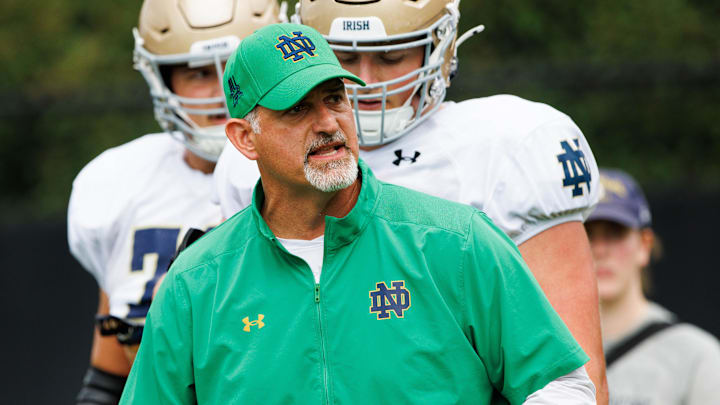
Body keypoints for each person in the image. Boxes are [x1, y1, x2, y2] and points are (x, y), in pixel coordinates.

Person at [121, 22, 596, 405]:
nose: (327, 123)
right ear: (246, 138)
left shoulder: (457, 240)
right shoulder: (196, 282)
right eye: (297, 109)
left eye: (334, 99)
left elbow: (563, 384)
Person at [67, 1, 281, 403]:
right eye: (199, 72)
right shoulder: (117, 183)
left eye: (236, 64)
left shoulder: (322, 172)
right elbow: (110, 372)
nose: (222, 90)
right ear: (162, 79)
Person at [585, 169, 720, 405]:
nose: (600, 249)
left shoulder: (698, 358)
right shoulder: (542, 354)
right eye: (587, 234)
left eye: (615, 233)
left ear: (644, 245)